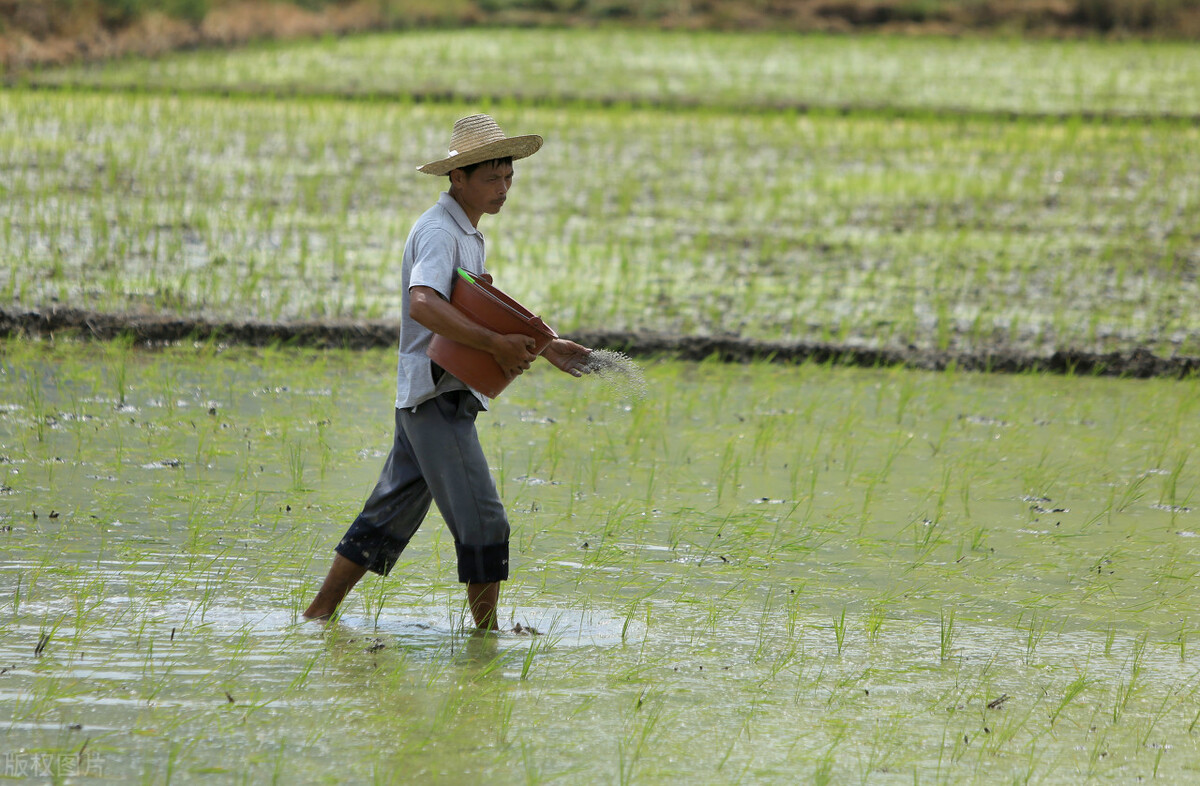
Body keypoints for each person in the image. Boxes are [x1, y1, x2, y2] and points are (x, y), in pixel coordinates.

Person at [303, 114, 592, 630]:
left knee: (384, 515)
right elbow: (425, 306)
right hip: (437, 399)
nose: (503, 189)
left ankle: (316, 618)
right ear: (457, 177)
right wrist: (495, 345)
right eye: (491, 179)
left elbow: (473, 307)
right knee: (485, 521)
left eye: (509, 177)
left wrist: (544, 345)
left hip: (429, 396)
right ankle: (488, 640)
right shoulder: (439, 232)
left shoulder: (466, 233)